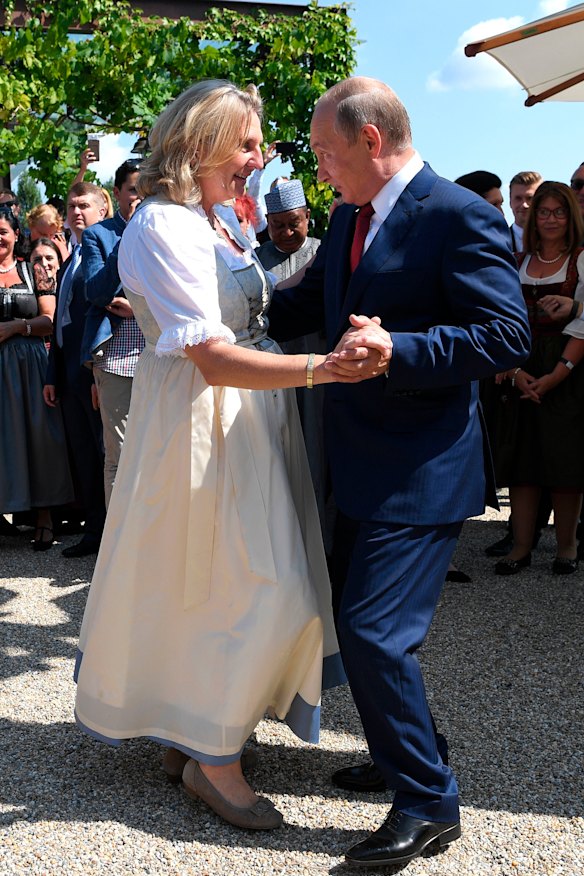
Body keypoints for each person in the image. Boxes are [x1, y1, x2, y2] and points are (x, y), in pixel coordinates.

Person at [73, 79, 387, 833]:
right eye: (247, 143)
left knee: (239, 576)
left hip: (244, 420)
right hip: (201, 424)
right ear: (205, 141)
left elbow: (259, 311)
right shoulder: (164, 227)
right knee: (234, 582)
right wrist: (325, 370)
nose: (258, 157)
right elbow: (212, 357)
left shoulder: (212, 221)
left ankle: (197, 733)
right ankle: (214, 757)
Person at [268, 76, 530, 867]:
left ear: (370, 140)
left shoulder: (460, 217)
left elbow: (506, 336)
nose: (320, 172)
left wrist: (401, 351)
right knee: (355, 624)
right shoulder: (350, 216)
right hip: (356, 464)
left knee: (376, 634)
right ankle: (402, 748)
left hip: (422, 470)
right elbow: (302, 305)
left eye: (324, 153)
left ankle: (427, 801)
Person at [493, 182, 584, 576]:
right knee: (523, 459)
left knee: (565, 459)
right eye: (543, 212)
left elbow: (583, 323)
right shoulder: (516, 261)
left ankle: (566, 546)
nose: (550, 219)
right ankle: (521, 546)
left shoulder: (581, 259)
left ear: (571, 217)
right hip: (522, 365)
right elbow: (499, 318)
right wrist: (515, 373)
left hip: (568, 365)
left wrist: (556, 375)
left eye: (558, 212)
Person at [0, 213, 73, 550]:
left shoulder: (32, 271)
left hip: (30, 363)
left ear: (17, 235)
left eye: (3, 232)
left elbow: (49, 319)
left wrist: (16, 327)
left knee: (40, 435)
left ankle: (45, 515)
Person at [43, 182, 108, 558]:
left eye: (84, 205)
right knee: (84, 455)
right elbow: (60, 323)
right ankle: (94, 531)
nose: (76, 212)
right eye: (71, 206)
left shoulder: (107, 253)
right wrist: (53, 375)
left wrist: (97, 370)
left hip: (96, 373)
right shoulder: (70, 259)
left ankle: (113, 535)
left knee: (106, 456)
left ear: (103, 208)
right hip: (68, 376)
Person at [80, 159, 144, 505]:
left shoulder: (164, 230)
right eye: (133, 188)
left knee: (162, 452)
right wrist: (130, 234)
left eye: (146, 187)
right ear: (116, 193)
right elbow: (97, 292)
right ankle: (118, 553)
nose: (140, 196)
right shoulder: (98, 235)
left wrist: (138, 309)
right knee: (120, 455)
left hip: (161, 354)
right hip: (117, 358)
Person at [509, 171, 542, 252]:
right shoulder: (498, 241)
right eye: (518, 198)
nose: (524, 205)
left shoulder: (558, 241)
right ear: (510, 202)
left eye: (530, 198)